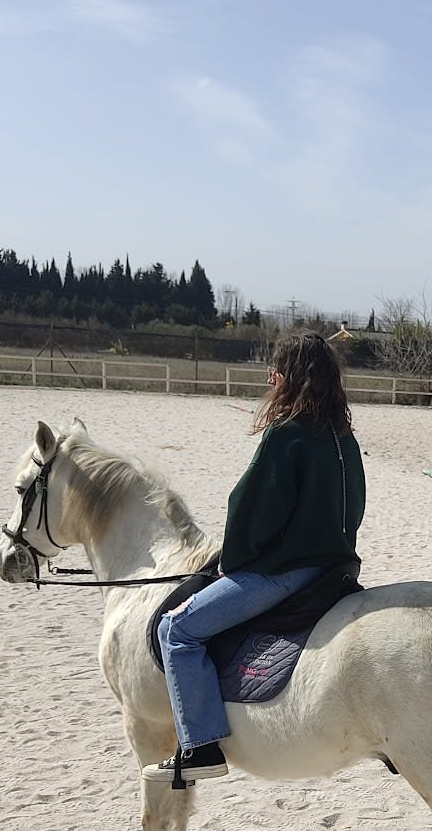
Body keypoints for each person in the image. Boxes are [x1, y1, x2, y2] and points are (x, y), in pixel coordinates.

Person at [143, 330, 366, 782]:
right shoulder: (345, 439)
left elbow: (250, 510)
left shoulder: (287, 436)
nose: (271, 377)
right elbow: (356, 507)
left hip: (287, 573)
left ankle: (201, 746)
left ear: (290, 377)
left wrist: (233, 562)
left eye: (276, 370)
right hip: (336, 569)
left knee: (177, 629)